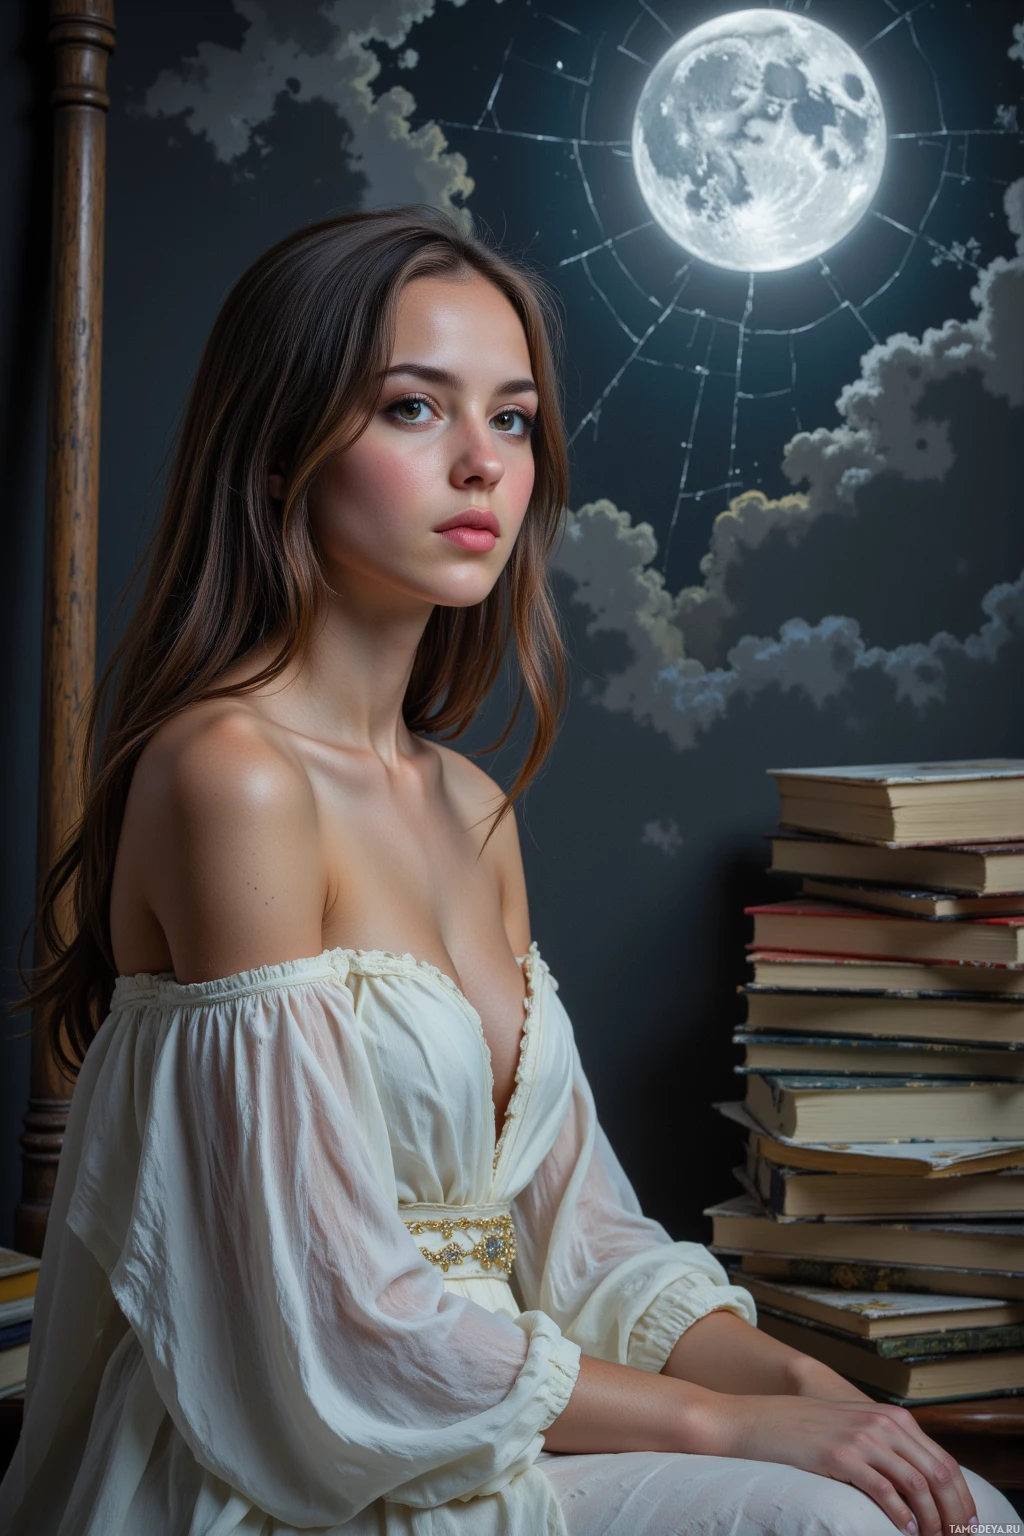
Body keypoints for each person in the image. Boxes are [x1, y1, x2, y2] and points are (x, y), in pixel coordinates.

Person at [0, 209, 1013, 1536]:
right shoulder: (230, 777)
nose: (483, 464)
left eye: (516, 419)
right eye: (415, 410)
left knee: (954, 1508)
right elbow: (327, 1313)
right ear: (277, 448)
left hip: (511, 1409)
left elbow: (576, 1235)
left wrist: (792, 1382)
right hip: (292, 1450)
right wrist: (725, 1424)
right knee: (841, 1529)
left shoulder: (469, 806)